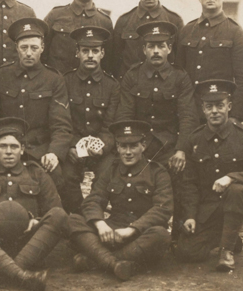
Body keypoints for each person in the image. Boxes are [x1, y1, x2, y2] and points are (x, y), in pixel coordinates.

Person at [0, 117, 67, 291]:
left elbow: (54, 208)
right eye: (3, 146)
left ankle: (2, 273)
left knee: (60, 216)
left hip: (29, 243)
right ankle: (23, 276)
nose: (9, 152)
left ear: (22, 149)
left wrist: (37, 222)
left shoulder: (35, 172)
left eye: (14, 147)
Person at [116, 21, 199, 238]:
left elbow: (188, 117)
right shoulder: (132, 76)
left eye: (161, 46)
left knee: (183, 173)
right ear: (143, 49)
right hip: (138, 146)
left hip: (168, 147)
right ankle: (131, 227)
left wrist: (181, 149)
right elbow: (125, 117)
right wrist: (132, 148)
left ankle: (179, 233)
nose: (155, 51)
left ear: (169, 48)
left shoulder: (180, 77)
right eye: (151, 46)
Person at [177, 80, 243, 271]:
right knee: (188, 252)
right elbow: (190, 183)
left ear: (229, 106)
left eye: (220, 105)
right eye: (209, 106)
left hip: (240, 200)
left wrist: (231, 177)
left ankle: (226, 251)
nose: (215, 111)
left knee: (236, 190)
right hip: (210, 206)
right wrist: (191, 216)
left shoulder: (242, 136)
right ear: (203, 109)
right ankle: (231, 236)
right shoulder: (195, 138)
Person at [69, 120, 172, 281]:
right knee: (73, 221)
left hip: (139, 234)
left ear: (143, 146)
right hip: (112, 231)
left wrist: (132, 230)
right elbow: (93, 200)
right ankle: (115, 263)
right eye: (123, 146)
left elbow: (162, 209)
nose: (128, 152)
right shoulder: (111, 170)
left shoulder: (157, 172)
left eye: (133, 146)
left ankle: (94, 260)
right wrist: (100, 224)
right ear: (117, 147)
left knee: (161, 235)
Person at [0, 18, 73, 210]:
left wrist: (54, 153)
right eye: (24, 47)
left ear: (43, 47)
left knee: (59, 181)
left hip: (39, 149)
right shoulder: (2, 75)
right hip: (5, 148)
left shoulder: (53, 79)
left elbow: (61, 125)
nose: (28, 53)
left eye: (34, 48)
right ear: (16, 48)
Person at [176, 0, 243, 123]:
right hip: (190, 111)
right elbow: (178, 72)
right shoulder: (187, 30)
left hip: (220, 112)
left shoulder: (235, 32)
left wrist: (236, 116)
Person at [61, 26, 120, 213]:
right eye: (85, 51)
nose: (90, 56)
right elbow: (62, 121)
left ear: (102, 53)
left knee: (107, 173)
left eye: (95, 51)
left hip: (101, 149)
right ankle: (78, 215)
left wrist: (102, 146)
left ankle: (93, 213)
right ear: (77, 53)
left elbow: (111, 125)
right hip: (72, 147)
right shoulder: (65, 81)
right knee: (66, 175)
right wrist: (71, 145)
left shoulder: (112, 85)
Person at [113, 0, 183, 80]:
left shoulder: (174, 21)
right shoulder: (124, 21)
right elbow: (114, 61)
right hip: (131, 89)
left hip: (164, 88)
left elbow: (180, 62)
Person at [43, 0, 114, 74]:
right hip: (58, 85)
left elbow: (108, 62)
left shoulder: (104, 22)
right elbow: (42, 53)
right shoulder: (55, 15)